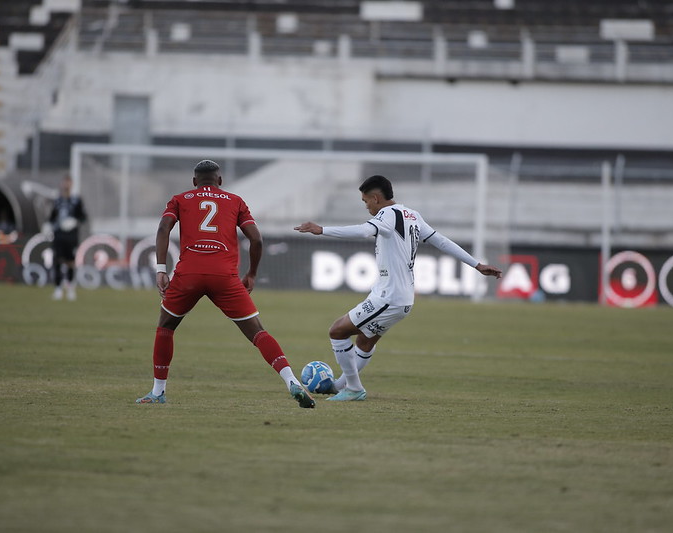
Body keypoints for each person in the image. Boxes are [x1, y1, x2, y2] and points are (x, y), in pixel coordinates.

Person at [294, 174, 502, 401]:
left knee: (337, 331)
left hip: (389, 297)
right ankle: (340, 386)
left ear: (375, 198)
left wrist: (322, 230)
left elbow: (364, 231)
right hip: (401, 297)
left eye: (365, 202)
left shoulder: (387, 214)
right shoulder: (412, 215)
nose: (366, 207)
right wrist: (477, 264)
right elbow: (441, 241)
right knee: (364, 341)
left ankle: (353, 388)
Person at [136, 159, 315, 408]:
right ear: (220, 181)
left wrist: (161, 269)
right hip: (225, 276)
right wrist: (251, 273)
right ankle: (291, 380)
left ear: (194, 182)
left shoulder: (179, 199)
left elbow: (164, 227)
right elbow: (257, 240)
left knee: (166, 327)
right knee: (258, 332)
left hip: (189, 274)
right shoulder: (235, 201)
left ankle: (158, 392)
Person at [49, 175, 87, 301]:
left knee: (70, 262)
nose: (66, 185)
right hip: (59, 234)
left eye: (68, 182)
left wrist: (74, 221)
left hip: (71, 236)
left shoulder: (76, 200)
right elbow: (52, 217)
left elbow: (83, 217)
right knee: (58, 260)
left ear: (72, 184)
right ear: (61, 184)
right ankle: (58, 289)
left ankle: (70, 288)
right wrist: (48, 225)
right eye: (64, 182)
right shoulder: (58, 200)